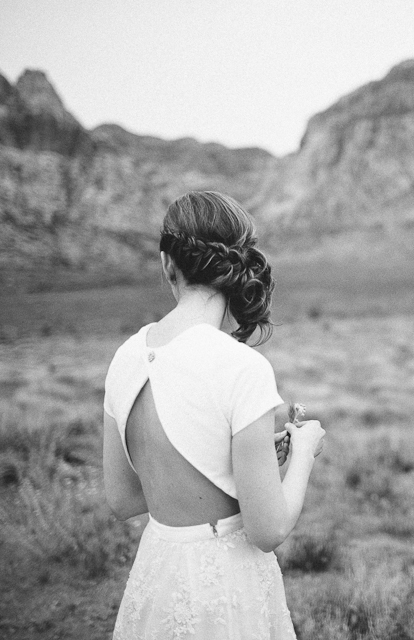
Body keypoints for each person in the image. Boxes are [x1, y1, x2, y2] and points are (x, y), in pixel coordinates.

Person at [102, 191, 325, 640]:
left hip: (157, 576)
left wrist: (234, 465)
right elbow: (269, 529)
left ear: (168, 263)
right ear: (238, 267)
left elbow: (123, 500)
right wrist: (302, 452)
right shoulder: (242, 368)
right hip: (225, 587)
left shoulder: (126, 356)